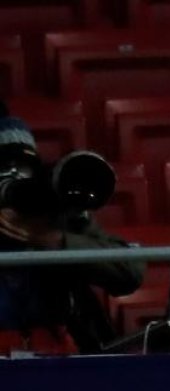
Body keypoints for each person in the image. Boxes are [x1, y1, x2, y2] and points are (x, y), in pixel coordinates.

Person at [0, 104, 143, 355]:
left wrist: (55, 240)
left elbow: (129, 273)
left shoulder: (55, 214)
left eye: (24, 168)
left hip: (53, 355)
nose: (15, 179)